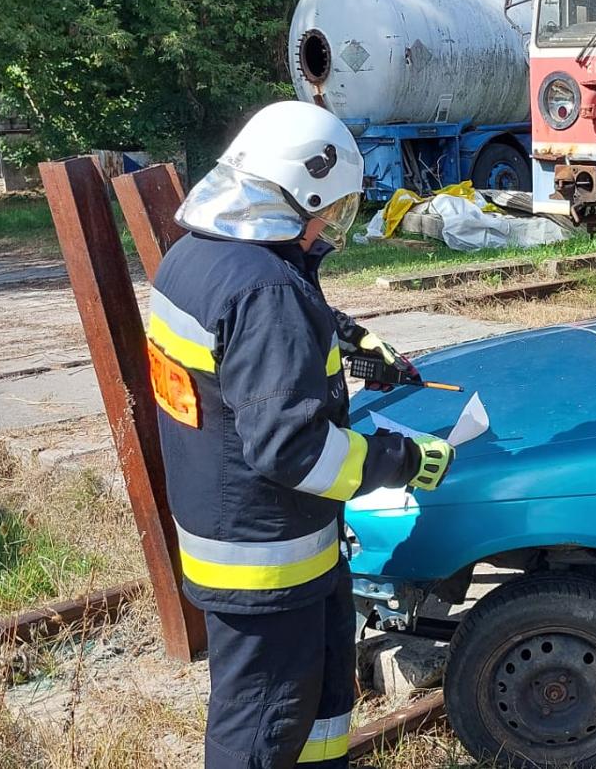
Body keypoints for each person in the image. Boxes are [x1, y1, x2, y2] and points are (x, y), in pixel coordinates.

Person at [148, 101, 454, 769]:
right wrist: (401, 459)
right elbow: (294, 449)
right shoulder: (266, 295)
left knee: (318, 713)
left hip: (246, 539)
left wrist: (340, 334)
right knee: (262, 730)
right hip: (269, 565)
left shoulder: (194, 258)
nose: (330, 229)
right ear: (295, 198)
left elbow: (244, 349)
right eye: (331, 210)